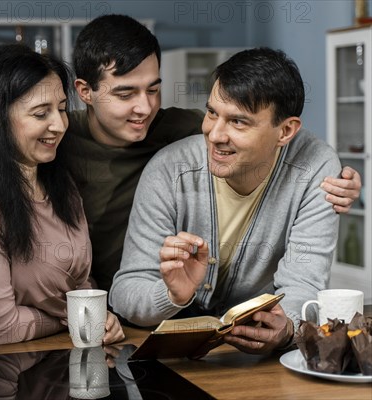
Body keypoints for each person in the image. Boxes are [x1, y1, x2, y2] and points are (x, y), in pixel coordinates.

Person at [0, 14, 361, 293]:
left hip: (144, 307)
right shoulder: (54, 136)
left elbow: (263, 127)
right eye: (125, 93)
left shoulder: (182, 128)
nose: (144, 107)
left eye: (154, 88)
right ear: (84, 92)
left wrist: (337, 175)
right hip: (73, 303)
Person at [109, 48, 341, 354]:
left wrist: (288, 327)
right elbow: (125, 293)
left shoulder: (316, 168)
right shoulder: (168, 169)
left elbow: (304, 283)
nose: (215, 134)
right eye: (212, 113)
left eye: (238, 122)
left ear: (285, 131)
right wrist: (172, 295)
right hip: (164, 357)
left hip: (257, 363)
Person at [0, 44, 124, 345]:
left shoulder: (60, 182)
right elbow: (0, 327)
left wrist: (98, 316)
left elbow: (77, 280)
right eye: (41, 114)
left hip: (57, 357)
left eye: (62, 109)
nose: (59, 125)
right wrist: (76, 317)